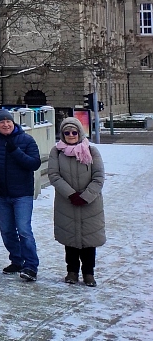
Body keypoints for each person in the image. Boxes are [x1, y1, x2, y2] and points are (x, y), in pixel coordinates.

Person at [0, 109, 43, 282]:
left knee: (24, 230)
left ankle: (31, 266)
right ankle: (16, 260)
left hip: (22, 194)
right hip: (0, 194)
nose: (6, 124)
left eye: (8, 121)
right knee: (7, 231)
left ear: (13, 122)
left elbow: (34, 164)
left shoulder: (27, 140)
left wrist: (16, 151)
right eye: (2, 122)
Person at [48, 118, 105, 287]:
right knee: (70, 239)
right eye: (67, 132)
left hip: (90, 203)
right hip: (67, 202)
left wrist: (86, 196)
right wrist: (71, 194)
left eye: (74, 132)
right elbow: (54, 175)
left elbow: (99, 177)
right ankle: (71, 272)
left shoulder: (92, 151)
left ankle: (89, 273)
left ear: (80, 133)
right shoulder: (56, 152)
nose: (71, 135)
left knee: (89, 240)